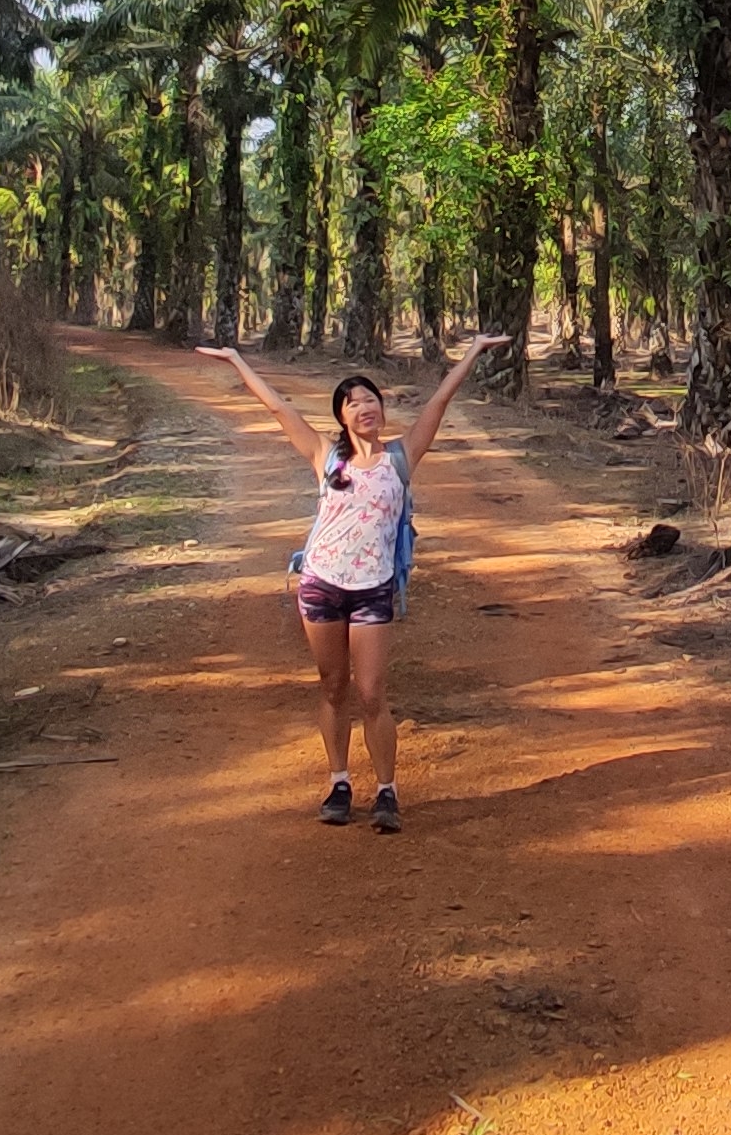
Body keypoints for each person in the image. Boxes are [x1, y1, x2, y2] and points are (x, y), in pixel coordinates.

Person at [207, 334, 507, 832]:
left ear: (382, 409)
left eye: (371, 399)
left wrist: (473, 351)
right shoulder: (327, 458)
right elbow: (280, 409)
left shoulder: (400, 458)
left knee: (371, 692)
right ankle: (339, 781)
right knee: (332, 687)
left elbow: (439, 400)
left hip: (373, 588)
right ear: (341, 417)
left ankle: (386, 791)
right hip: (321, 584)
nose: (365, 407)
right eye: (353, 403)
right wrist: (239, 361)